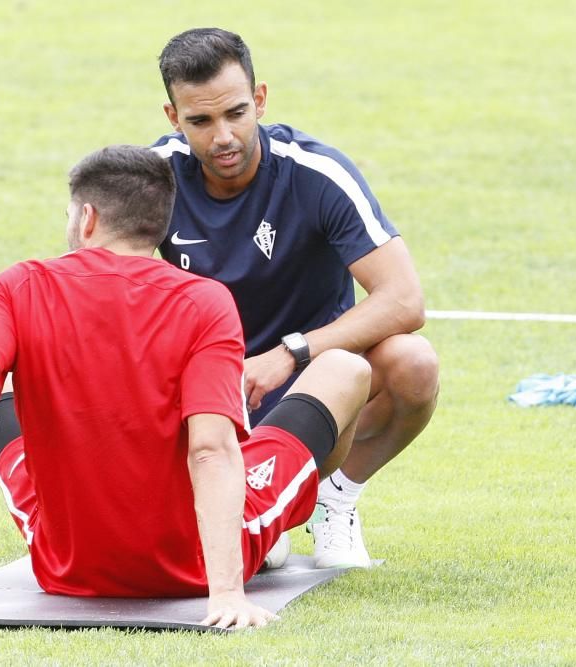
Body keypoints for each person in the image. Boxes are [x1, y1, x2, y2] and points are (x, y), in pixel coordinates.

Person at [0, 145, 371, 630]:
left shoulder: (16, 286)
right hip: (194, 570)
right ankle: (305, 516)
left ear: (87, 218)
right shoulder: (205, 301)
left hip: (67, 567)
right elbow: (209, 448)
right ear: (159, 226)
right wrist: (226, 592)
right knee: (345, 369)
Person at [150, 28, 440, 569]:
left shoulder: (316, 173)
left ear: (259, 99)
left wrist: (291, 352)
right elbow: (97, 282)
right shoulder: (152, 176)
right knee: (262, 555)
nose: (224, 136)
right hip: (212, 390)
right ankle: (259, 507)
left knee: (414, 364)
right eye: (200, 121)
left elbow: (404, 300)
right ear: (173, 117)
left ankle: (336, 497)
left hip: (317, 382)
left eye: (236, 112)